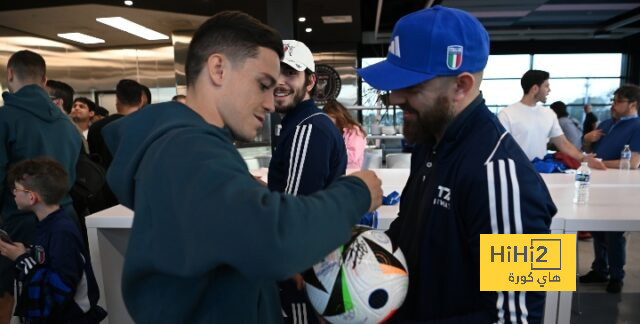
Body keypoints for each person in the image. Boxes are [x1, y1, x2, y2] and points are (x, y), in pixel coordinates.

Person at [101, 11, 382, 323]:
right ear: (219, 69)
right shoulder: (188, 151)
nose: (271, 103)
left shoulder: (191, 145)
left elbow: (226, 238)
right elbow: (275, 239)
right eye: (263, 84)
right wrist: (357, 192)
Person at [358, 6, 557, 322]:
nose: (395, 98)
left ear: (461, 86)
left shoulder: (506, 177)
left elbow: (517, 318)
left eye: (411, 87)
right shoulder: (429, 143)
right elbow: (410, 230)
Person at [268, 40, 347, 323]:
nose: (279, 82)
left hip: (299, 273)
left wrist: (290, 264)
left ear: (310, 81)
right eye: (274, 72)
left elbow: (294, 212)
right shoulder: (298, 124)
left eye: (290, 73)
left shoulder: (308, 128)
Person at [0, 50, 81, 323]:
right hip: (64, 221)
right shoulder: (68, 125)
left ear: (10, 73)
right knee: (57, 299)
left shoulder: (4, 118)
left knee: (15, 298)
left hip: (16, 226)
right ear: (44, 80)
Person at [0, 158, 106, 323]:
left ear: (32, 197)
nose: (13, 193)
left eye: (16, 189)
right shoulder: (48, 224)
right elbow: (49, 259)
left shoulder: (61, 231)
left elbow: (61, 286)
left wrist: (21, 259)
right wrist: (27, 251)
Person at [580, 84, 640, 293]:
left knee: (613, 232)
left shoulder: (637, 126)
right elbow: (589, 153)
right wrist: (587, 140)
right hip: (597, 184)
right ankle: (600, 268)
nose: (613, 105)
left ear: (632, 104)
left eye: (618, 101)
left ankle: (616, 275)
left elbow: (632, 163)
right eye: (613, 100)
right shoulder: (607, 123)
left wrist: (599, 162)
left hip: (619, 188)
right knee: (597, 229)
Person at [498, 70, 605, 169]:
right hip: (515, 170)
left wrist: (582, 158)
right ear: (535, 89)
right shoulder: (506, 114)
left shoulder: (548, 114)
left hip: (541, 170)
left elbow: (563, 143)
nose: (549, 90)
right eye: (546, 86)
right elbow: (499, 148)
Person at [323, 99, 367, 169]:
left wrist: (332, 151)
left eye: (331, 116)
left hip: (350, 173)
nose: (327, 120)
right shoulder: (330, 131)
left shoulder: (354, 131)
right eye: (325, 117)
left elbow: (353, 157)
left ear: (339, 116)